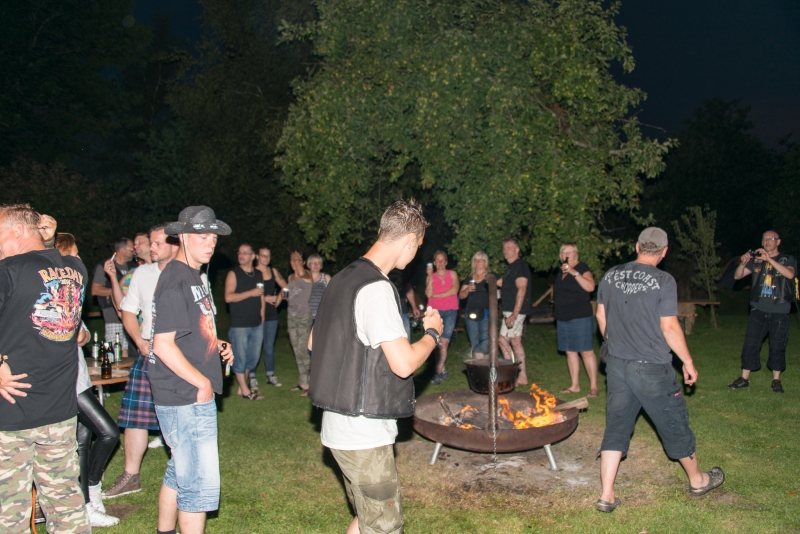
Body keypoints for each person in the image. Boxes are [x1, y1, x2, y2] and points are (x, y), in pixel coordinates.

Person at [308, 198, 443, 534]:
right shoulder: (376, 288)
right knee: (384, 526)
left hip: (338, 428)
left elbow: (313, 341)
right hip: (363, 433)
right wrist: (432, 334)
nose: (416, 254)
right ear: (409, 240)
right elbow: (404, 363)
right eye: (418, 246)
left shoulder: (342, 278)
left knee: (367, 519)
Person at [595, 227, 723, 513]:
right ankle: (698, 480)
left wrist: (614, 341)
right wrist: (687, 361)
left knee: (617, 425)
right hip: (651, 368)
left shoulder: (610, 275)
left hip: (617, 365)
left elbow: (601, 315)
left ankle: (606, 495)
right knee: (673, 422)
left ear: (637, 246)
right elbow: (669, 326)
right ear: (664, 252)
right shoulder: (663, 280)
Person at [0, 204, 90, 533]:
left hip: (11, 413)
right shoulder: (77, 269)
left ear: (17, 231)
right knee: (66, 502)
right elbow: (48, 267)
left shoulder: (8, 270)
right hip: (59, 411)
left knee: (9, 513)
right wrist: (49, 242)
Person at [150, 206, 234, 534]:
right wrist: (201, 383)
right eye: (202, 237)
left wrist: (216, 343)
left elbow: (187, 331)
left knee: (181, 471)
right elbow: (163, 345)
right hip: (184, 395)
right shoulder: (176, 279)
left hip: (185, 393)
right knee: (196, 486)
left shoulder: (193, 276)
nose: (210, 243)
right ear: (183, 237)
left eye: (213, 237)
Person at [102, 224, 180, 501]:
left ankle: (183, 471)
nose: (151, 247)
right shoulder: (142, 274)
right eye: (151, 242)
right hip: (149, 353)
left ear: (174, 245)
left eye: (158, 243)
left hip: (180, 355)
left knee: (179, 417)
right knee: (135, 417)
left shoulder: (190, 274)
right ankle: (130, 476)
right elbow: (127, 310)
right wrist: (138, 341)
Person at [55, 232, 121, 527]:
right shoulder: (58, 294)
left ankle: (86, 505)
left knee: (83, 441)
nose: (80, 259)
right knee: (108, 432)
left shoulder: (70, 292)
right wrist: (78, 334)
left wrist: (79, 334)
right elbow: (75, 336)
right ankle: (92, 490)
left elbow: (81, 335)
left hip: (79, 377)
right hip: (69, 382)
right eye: (75, 253)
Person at [728, 230, 796, 393]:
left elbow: (790, 274)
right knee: (751, 344)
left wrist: (769, 260)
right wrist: (743, 263)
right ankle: (744, 379)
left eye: (771, 238)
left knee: (777, 345)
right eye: (764, 239)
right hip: (758, 308)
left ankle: (776, 381)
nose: (767, 241)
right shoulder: (756, 260)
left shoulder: (787, 259)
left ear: (778, 242)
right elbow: (737, 276)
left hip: (779, 308)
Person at [554, 243, 599, 398]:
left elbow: (590, 287)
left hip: (580, 316)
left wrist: (573, 271)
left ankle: (593, 387)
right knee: (570, 351)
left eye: (569, 251)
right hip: (563, 316)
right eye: (563, 252)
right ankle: (575, 385)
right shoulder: (561, 271)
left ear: (575, 254)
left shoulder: (581, 267)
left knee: (586, 351)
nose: (566, 254)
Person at [224, 243, 265, 401]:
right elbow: (228, 297)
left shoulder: (258, 274)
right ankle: (246, 392)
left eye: (245, 253)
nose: (241, 255)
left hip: (257, 323)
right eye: (239, 253)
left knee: (252, 358)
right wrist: (250, 293)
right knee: (240, 358)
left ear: (253, 256)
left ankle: (242, 387)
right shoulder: (233, 274)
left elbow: (261, 295)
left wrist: (262, 313)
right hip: (240, 324)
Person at [496, 239, 533, 386]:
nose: (506, 250)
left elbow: (522, 288)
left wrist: (514, 314)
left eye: (509, 248)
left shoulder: (519, 266)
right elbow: (505, 285)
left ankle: (509, 376)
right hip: (512, 310)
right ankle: (522, 376)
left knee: (502, 340)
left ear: (517, 250)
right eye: (504, 248)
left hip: (515, 311)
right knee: (516, 342)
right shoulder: (511, 268)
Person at [92, 238, 137, 358]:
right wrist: (119, 291)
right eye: (132, 249)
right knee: (114, 352)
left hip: (132, 315)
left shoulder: (133, 267)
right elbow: (95, 290)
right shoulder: (105, 266)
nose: (134, 252)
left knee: (129, 352)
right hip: (113, 316)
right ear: (122, 250)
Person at [425, 250, 460, 384]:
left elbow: (454, 290)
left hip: (450, 311)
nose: (440, 263)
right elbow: (429, 294)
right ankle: (442, 370)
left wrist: (437, 295)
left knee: (444, 343)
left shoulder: (452, 274)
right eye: (437, 260)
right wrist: (430, 277)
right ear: (434, 263)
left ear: (446, 262)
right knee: (436, 343)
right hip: (434, 312)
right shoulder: (431, 276)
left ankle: (436, 373)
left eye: (442, 260)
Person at [255, 247, 285, 388]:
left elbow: (286, 287)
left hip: (271, 315)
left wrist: (279, 301)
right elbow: (248, 293)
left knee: (268, 347)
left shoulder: (273, 271)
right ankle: (252, 377)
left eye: (268, 256)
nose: (266, 258)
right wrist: (264, 298)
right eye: (263, 255)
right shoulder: (252, 272)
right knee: (255, 347)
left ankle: (270, 375)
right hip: (255, 314)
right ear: (257, 256)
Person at [286, 249, 313, 395]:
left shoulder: (307, 274)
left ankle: (314, 382)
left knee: (303, 349)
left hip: (303, 317)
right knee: (296, 351)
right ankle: (303, 382)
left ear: (303, 262)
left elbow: (301, 273)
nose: (294, 262)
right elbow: (288, 295)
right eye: (292, 259)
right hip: (291, 317)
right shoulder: (290, 277)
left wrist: (297, 258)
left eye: (296, 259)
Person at [458, 251, 494, 359]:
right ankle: (480, 366)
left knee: (486, 342)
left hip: (486, 313)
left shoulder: (490, 276)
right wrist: (467, 290)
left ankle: (486, 366)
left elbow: (504, 285)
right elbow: (461, 295)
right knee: (475, 341)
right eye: (475, 260)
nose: (478, 262)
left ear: (485, 262)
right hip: (471, 313)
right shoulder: (469, 278)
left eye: (481, 260)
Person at [389, 268, 421, 342]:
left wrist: (414, 307)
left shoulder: (402, 270)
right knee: (391, 340)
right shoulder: (383, 269)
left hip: (403, 311)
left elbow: (408, 288)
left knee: (406, 340)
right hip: (388, 312)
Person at [307, 253, 331, 323]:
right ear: (309, 265)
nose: (316, 265)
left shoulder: (326, 278)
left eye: (318, 263)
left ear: (321, 266)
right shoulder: (303, 279)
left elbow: (333, 295)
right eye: (313, 262)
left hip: (321, 316)